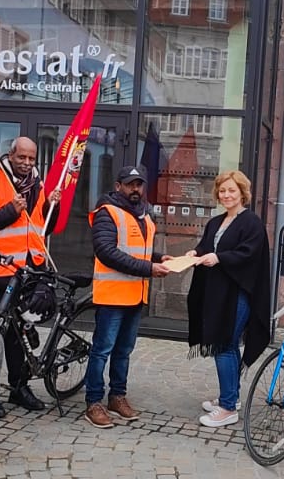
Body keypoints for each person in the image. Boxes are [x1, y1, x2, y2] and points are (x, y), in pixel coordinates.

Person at [0, 136, 60, 417]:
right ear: (10, 155)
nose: (27, 163)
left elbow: (42, 228)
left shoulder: (37, 185)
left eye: (32, 158)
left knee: (20, 333)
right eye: (22, 157)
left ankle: (19, 387)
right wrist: (10, 211)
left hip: (29, 271)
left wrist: (51, 207)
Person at [84, 165, 170, 428]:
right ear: (118, 186)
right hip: (112, 296)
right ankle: (93, 402)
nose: (135, 189)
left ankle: (117, 396)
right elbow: (107, 252)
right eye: (130, 184)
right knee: (102, 350)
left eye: (139, 184)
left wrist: (159, 259)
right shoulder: (107, 212)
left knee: (124, 351)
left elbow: (139, 251)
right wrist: (149, 268)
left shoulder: (144, 214)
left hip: (135, 295)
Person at [186, 169, 271, 428]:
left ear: (242, 192)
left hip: (237, 294)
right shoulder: (216, 222)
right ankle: (231, 398)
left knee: (223, 344)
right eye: (222, 190)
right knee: (227, 345)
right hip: (217, 293)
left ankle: (227, 408)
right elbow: (207, 246)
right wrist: (195, 253)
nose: (226, 195)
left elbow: (248, 254)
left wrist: (219, 258)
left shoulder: (252, 223)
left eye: (232, 190)